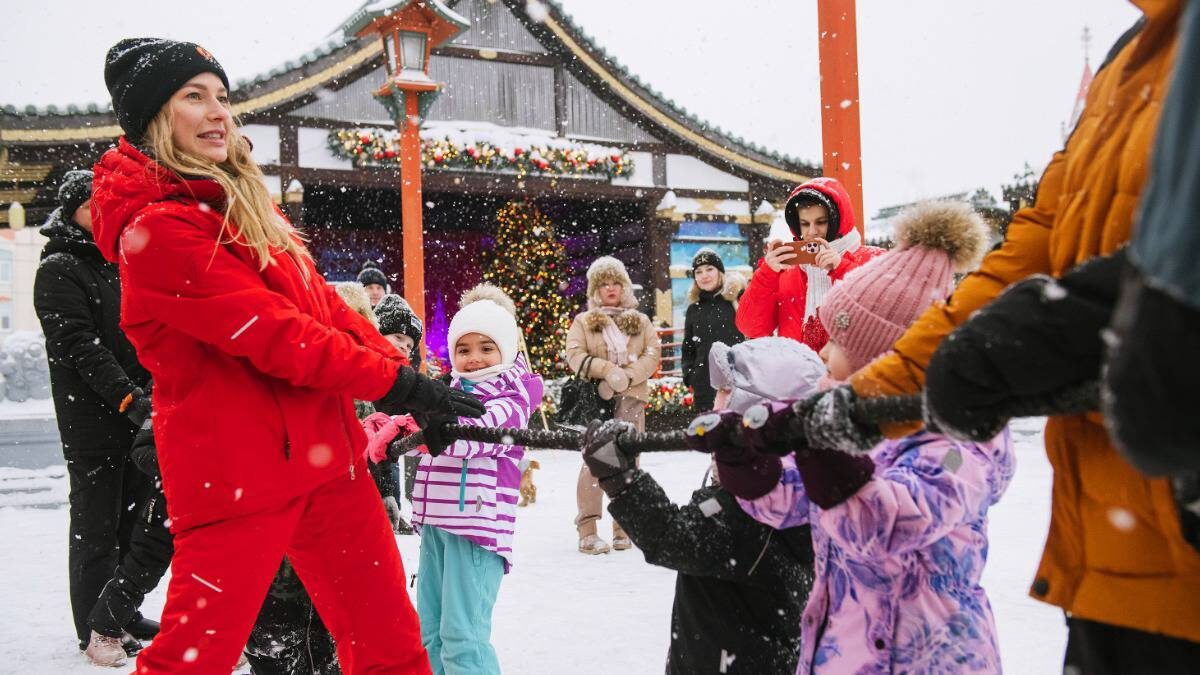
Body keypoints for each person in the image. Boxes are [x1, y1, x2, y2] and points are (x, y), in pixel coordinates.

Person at [796, 6, 1200, 670]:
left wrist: (1097, 316)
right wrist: (870, 399)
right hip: (1114, 551)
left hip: (1177, 523)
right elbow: (1038, 244)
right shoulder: (1129, 61)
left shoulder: (960, 449)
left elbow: (898, 517)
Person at [90, 37, 483, 673]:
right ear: (155, 118)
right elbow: (278, 334)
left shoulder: (246, 204)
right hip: (236, 472)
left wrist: (407, 382)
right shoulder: (158, 230)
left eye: (222, 97)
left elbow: (324, 306)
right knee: (194, 659)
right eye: (194, 96)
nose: (218, 112)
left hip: (325, 454)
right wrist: (396, 384)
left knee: (388, 641)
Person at [717, 202, 1010, 673]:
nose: (823, 352)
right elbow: (794, 498)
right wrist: (749, 465)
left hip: (931, 656)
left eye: (837, 342)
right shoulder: (850, 413)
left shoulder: (960, 441)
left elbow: (890, 524)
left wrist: (817, 447)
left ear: (881, 357)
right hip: (844, 647)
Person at [581, 336, 818, 674]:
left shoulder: (762, 508)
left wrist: (621, 479)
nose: (714, 402)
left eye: (727, 392)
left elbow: (672, 537)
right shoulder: (786, 488)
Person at [32, 168, 163, 663]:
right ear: (73, 212)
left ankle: (121, 612)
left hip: (139, 416)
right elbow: (79, 346)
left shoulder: (121, 262)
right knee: (96, 526)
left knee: (132, 522)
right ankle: (93, 623)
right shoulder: (59, 268)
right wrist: (128, 397)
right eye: (93, 205)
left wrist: (152, 391)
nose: (104, 212)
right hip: (94, 421)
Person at [406, 284, 543, 675]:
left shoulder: (512, 397)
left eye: (486, 347)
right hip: (438, 524)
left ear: (506, 349)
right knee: (430, 632)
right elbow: (420, 426)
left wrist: (434, 427)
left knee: (463, 636)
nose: (475, 358)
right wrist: (394, 426)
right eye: (463, 349)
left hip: (476, 528)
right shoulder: (446, 391)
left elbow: (477, 434)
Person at [564, 256, 662, 554]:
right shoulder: (584, 321)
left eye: (615, 282)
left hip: (632, 399)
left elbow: (652, 354)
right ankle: (588, 529)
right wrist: (606, 371)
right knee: (594, 461)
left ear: (624, 286)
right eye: (603, 283)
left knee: (628, 461)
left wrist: (627, 377)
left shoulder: (640, 320)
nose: (610, 288)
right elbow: (574, 355)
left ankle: (623, 527)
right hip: (598, 400)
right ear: (595, 289)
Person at [735, 177, 883, 352]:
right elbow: (750, 328)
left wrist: (841, 268)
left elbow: (890, 313)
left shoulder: (875, 259)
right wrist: (766, 274)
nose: (812, 231)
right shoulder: (786, 271)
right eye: (804, 224)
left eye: (821, 222)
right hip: (797, 368)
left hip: (856, 367)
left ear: (838, 220)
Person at [373, 292, 426, 529]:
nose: (403, 347)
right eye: (398, 337)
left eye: (409, 345)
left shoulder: (400, 379)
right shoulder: (362, 369)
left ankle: (391, 510)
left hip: (384, 453)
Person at [680, 248, 745, 412]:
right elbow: (688, 348)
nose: (704, 275)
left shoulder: (736, 301)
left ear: (720, 272)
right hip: (704, 386)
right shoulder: (693, 309)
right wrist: (690, 376)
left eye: (709, 269)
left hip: (738, 383)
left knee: (739, 427)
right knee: (707, 428)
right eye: (698, 272)